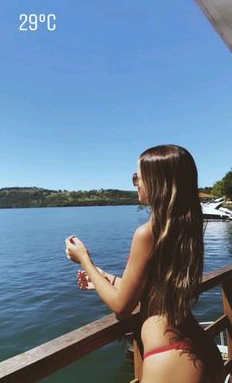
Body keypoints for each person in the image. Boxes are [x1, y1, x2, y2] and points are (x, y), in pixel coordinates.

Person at [65, 145, 224, 383]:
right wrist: (103, 278)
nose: (135, 183)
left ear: (158, 180)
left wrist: (84, 259)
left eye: (137, 177)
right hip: (198, 346)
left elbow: (122, 307)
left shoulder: (147, 233)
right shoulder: (184, 227)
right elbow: (155, 290)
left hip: (171, 358)